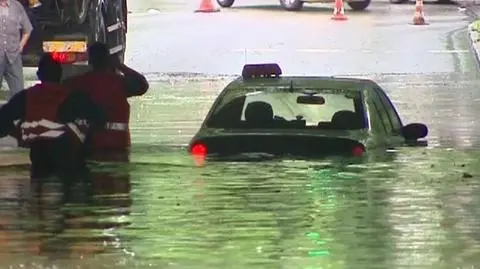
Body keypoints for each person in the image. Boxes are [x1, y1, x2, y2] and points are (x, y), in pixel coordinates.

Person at [0, 53, 106, 186]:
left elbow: (2, 123)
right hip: (68, 156)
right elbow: (100, 119)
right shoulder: (74, 96)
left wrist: (16, 134)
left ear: (39, 75)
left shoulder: (25, 97)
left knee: (39, 193)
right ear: (60, 74)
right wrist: (87, 143)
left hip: (40, 156)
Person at [64, 42, 149, 162]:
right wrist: (120, 66)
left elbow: (60, 88)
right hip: (119, 146)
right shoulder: (120, 83)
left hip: (92, 146)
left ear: (90, 60)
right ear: (107, 59)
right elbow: (142, 86)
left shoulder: (80, 83)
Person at [0, 0, 33, 99]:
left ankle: (16, 113)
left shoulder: (16, 6)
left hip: (13, 57)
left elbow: (28, 29)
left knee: (18, 93)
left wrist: (21, 45)